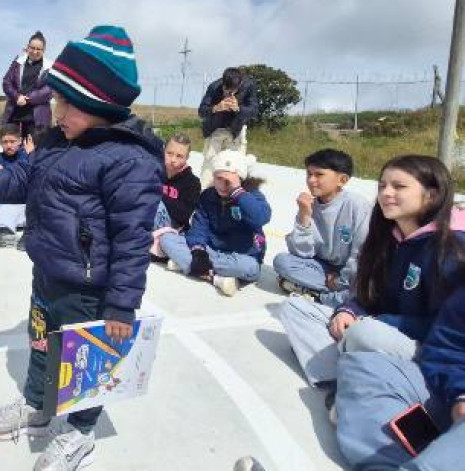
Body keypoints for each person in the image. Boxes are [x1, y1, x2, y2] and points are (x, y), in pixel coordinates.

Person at [0, 25, 163, 471]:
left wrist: (121, 306)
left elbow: (132, 240)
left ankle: (80, 431)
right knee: (42, 343)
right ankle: (37, 405)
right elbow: (21, 183)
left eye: (65, 102)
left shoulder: (130, 160)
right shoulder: (52, 143)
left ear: (98, 104)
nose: (55, 109)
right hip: (47, 273)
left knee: (88, 363)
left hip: (91, 290)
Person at [279, 156, 465, 393]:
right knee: (294, 308)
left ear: (432, 195)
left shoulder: (451, 248)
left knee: (364, 334)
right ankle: (346, 377)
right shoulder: (388, 237)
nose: (386, 193)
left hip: (432, 350)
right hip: (377, 328)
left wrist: (377, 322)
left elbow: (448, 331)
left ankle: (361, 375)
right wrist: (350, 310)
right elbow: (371, 295)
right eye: (382, 186)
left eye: (399, 186)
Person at [159, 150, 270, 297]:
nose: (223, 185)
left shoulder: (251, 196)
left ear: (240, 179)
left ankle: (189, 265)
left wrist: (237, 191)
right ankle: (215, 278)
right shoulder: (208, 196)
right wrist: (198, 251)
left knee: (250, 268)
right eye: (219, 178)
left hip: (241, 255)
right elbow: (199, 226)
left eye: (228, 181)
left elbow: (261, 218)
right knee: (167, 239)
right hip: (211, 249)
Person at [273, 149, 371, 307]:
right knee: (281, 261)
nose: (311, 180)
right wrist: (304, 216)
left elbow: (361, 253)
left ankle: (317, 295)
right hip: (323, 268)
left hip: (352, 271)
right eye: (308, 174)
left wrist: (341, 281)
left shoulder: (357, 206)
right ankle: (329, 295)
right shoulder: (309, 205)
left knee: (368, 288)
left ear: (342, 180)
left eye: (319, 174)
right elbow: (301, 252)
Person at [198, 67, 258, 188]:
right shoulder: (214, 87)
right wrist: (216, 108)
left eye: (233, 91)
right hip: (215, 130)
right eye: (226, 90)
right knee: (209, 168)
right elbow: (201, 111)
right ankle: (203, 196)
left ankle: (231, 200)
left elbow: (254, 110)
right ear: (223, 83)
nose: (229, 93)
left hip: (235, 131)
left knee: (234, 169)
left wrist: (238, 108)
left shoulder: (249, 86)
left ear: (240, 84)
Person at [150, 134, 201, 261]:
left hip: (172, 226)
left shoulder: (192, 182)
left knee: (155, 202)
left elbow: (183, 214)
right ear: (163, 151)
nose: (173, 159)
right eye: (169, 153)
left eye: (179, 156)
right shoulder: (153, 172)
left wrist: (158, 195)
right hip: (148, 217)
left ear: (187, 158)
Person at [0, 31, 53, 138]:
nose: (35, 51)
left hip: (37, 119)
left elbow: (49, 90)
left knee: (35, 150)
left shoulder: (50, 66)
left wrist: (28, 99)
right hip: (14, 115)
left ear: (44, 50)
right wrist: (17, 97)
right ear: (27, 47)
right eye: (32, 48)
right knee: (13, 149)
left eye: (39, 49)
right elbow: (7, 82)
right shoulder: (18, 62)